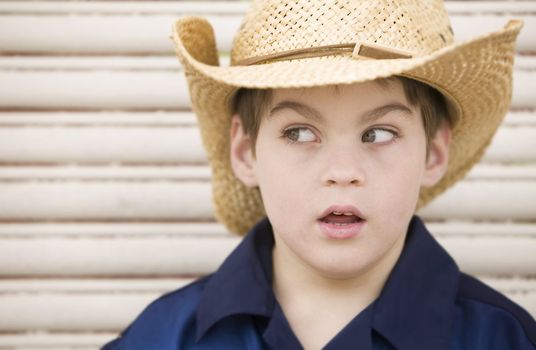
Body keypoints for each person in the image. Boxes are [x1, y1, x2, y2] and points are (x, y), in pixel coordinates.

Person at [102, 0, 536, 348]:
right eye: (299, 132)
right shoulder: (164, 337)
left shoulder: (503, 337)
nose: (342, 172)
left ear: (434, 153)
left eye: (380, 133)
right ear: (244, 150)